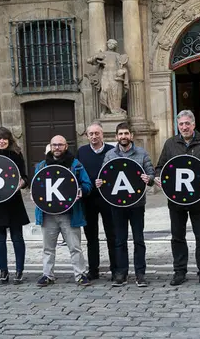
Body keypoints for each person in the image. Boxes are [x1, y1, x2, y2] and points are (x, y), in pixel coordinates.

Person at [155, 110, 200, 286]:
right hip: (176, 200)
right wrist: (159, 177)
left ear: (193, 124)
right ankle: (179, 272)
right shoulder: (170, 144)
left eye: (187, 123)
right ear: (178, 126)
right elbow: (160, 167)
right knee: (177, 237)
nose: (184, 127)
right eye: (181, 124)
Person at [95, 122, 155, 287]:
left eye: (126, 133)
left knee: (138, 240)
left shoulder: (142, 153)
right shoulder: (110, 155)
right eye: (120, 134)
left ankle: (140, 274)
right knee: (119, 240)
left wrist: (148, 179)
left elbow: (151, 175)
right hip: (117, 205)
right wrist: (100, 182)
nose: (123, 137)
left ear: (131, 136)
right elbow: (104, 176)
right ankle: (121, 273)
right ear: (116, 137)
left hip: (136, 204)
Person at [35, 135, 93, 287]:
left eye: (60, 145)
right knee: (48, 248)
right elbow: (36, 187)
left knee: (75, 247)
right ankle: (47, 275)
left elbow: (87, 184)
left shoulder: (76, 164)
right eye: (54, 145)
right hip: (48, 214)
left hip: (70, 214)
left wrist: (81, 190)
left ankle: (80, 275)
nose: (57, 148)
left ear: (66, 146)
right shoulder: (41, 165)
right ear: (50, 146)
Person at [0, 127, 30, 285]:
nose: (1, 141)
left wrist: (21, 184)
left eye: (4, 139)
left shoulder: (16, 155)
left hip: (14, 202)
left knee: (17, 237)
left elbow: (25, 177)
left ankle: (19, 271)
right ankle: (3, 271)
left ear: (9, 140)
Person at [76, 122, 117, 281]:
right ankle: (93, 269)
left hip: (108, 199)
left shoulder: (112, 151)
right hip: (88, 200)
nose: (94, 136)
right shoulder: (82, 152)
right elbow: (77, 174)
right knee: (91, 237)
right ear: (87, 136)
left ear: (102, 134)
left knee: (112, 236)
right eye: (91, 134)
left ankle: (116, 269)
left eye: (97, 133)